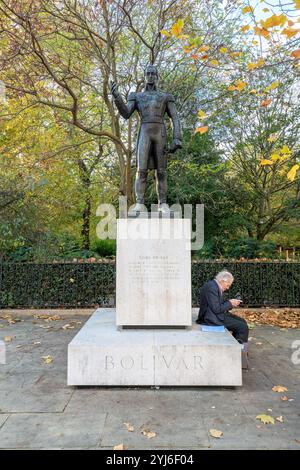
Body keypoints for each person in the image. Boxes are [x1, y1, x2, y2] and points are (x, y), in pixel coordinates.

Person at [110, 64, 182, 214]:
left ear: (157, 76)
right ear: (144, 76)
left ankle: (162, 203)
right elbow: (126, 113)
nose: (150, 76)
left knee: (161, 171)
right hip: (144, 132)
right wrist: (117, 97)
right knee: (141, 170)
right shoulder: (136, 96)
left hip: (160, 132)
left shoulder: (165, 96)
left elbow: (174, 117)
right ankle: (139, 203)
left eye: (153, 73)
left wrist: (177, 138)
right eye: (147, 73)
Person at [196, 270, 249, 368]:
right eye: (228, 285)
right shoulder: (211, 287)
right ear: (223, 280)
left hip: (215, 314)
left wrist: (230, 302)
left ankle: (236, 348)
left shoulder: (213, 285)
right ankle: (238, 357)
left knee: (243, 321)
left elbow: (217, 305)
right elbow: (216, 308)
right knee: (242, 327)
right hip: (210, 318)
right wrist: (230, 303)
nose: (228, 288)